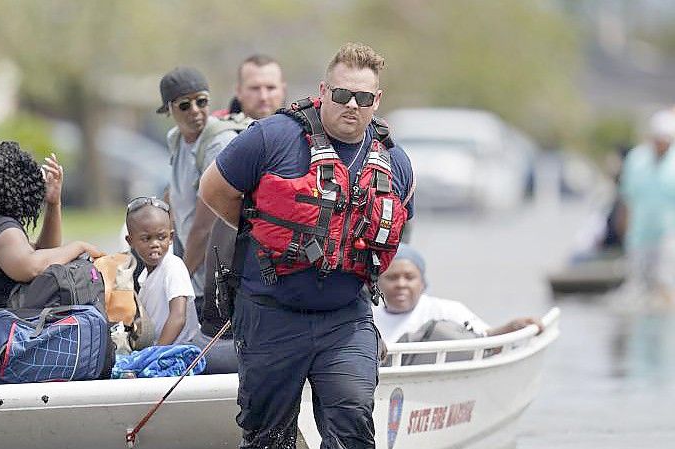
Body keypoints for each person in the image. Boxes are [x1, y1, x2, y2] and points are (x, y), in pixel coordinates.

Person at [200, 43, 415, 449]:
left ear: (377, 101)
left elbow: (399, 226)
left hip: (345, 318)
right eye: (341, 94)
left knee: (352, 422)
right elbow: (213, 189)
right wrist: (260, 231)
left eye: (363, 98)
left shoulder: (395, 161)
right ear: (323, 90)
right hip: (271, 314)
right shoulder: (271, 137)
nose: (351, 104)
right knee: (268, 436)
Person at [0, 141, 104, 378]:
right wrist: (78, 246)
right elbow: (32, 267)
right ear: (21, 187)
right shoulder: (4, 231)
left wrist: (53, 203)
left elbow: (45, 253)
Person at [193, 54, 287, 375]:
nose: (264, 96)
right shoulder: (222, 137)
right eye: (255, 87)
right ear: (239, 90)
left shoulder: (301, 136)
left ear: (283, 89)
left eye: (271, 87)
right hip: (217, 272)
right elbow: (204, 218)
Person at [157, 67, 239, 315]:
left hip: (214, 276)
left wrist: (178, 283)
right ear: (168, 109)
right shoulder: (176, 139)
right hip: (189, 261)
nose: (195, 111)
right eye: (184, 105)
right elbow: (175, 192)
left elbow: (205, 227)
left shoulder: (218, 143)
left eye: (201, 101)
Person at [373, 244, 543, 345]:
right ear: (377, 282)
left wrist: (512, 327)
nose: (401, 284)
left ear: (422, 282)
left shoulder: (445, 310)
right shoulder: (366, 318)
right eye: (392, 278)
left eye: (409, 277)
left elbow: (486, 339)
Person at [618, 109, 675, 304]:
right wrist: (622, 226)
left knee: (666, 285)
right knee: (638, 288)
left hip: (669, 235)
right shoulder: (636, 158)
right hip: (639, 233)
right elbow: (626, 196)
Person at [125, 196, 199, 345]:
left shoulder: (173, 266)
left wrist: (156, 353)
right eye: (146, 239)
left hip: (182, 348)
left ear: (171, 237)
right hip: (160, 347)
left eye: (161, 237)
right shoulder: (143, 277)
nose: (155, 244)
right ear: (130, 241)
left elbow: (178, 317)